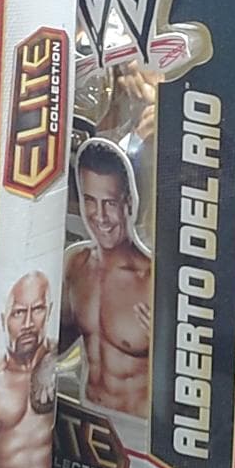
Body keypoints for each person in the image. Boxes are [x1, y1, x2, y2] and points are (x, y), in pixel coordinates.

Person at [60, 139, 151, 422]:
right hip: (88, 420)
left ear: (128, 203)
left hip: (137, 430)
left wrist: (167, 345)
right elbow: (54, 350)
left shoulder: (152, 280)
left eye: (110, 203)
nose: (100, 217)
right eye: (90, 201)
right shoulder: (76, 264)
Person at [0, 271, 56, 468]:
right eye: (18, 313)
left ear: (49, 311)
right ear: (4, 319)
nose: (28, 323)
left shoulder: (60, 359)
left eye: (37, 309)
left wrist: (50, 360)